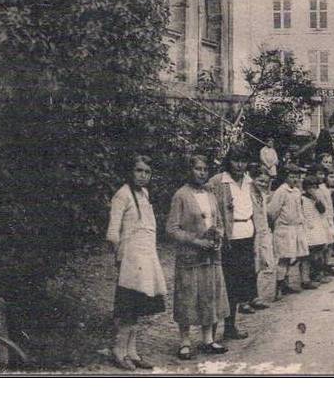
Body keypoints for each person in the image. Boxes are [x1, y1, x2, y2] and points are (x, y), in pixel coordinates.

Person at [105, 155, 167, 371]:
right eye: (139, 171)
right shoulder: (122, 195)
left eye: (147, 172)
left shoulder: (144, 194)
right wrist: (119, 259)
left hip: (146, 256)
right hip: (130, 258)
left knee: (137, 307)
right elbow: (113, 231)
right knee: (127, 308)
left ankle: (132, 352)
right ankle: (119, 351)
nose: (143, 176)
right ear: (130, 172)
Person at [166, 155, 229, 360]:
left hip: (211, 254)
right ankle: (185, 341)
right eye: (197, 169)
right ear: (190, 170)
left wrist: (218, 235)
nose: (201, 173)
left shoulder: (210, 194)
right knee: (188, 295)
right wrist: (196, 241)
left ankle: (208, 339)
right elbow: (172, 229)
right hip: (190, 256)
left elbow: (218, 220)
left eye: (205, 169)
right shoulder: (181, 195)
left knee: (209, 293)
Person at [207, 154, 260, 341]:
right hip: (228, 238)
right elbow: (208, 209)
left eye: (243, 160)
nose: (239, 164)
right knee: (223, 284)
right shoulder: (218, 181)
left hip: (247, 235)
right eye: (235, 160)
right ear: (228, 162)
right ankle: (211, 335)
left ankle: (230, 327)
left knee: (238, 285)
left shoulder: (249, 181)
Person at [267, 166, 309, 297]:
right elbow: (272, 210)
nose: (294, 179)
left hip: (296, 228)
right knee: (284, 258)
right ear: (285, 177)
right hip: (284, 228)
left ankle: (287, 283)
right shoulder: (281, 191)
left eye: (296, 176)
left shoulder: (296, 191)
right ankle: (278, 287)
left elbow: (299, 209)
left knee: (295, 256)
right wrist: (275, 224)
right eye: (291, 176)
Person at [249, 166, 276, 308]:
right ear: (253, 179)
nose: (263, 184)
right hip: (251, 233)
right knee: (252, 264)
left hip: (263, 231)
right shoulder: (248, 193)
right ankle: (248, 298)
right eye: (260, 181)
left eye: (266, 182)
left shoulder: (263, 195)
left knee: (264, 263)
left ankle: (258, 295)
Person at [300, 177, 329, 287]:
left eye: (315, 187)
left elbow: (322, 210)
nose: (312, 190)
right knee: (308, 254)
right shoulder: (302, 199)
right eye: (310, 188)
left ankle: (317, 275)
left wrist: (317, 200)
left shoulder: (316, 199)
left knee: (318, 252)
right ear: (305, 189)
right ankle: (305, 279)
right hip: (307, 228)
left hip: (317, 227)